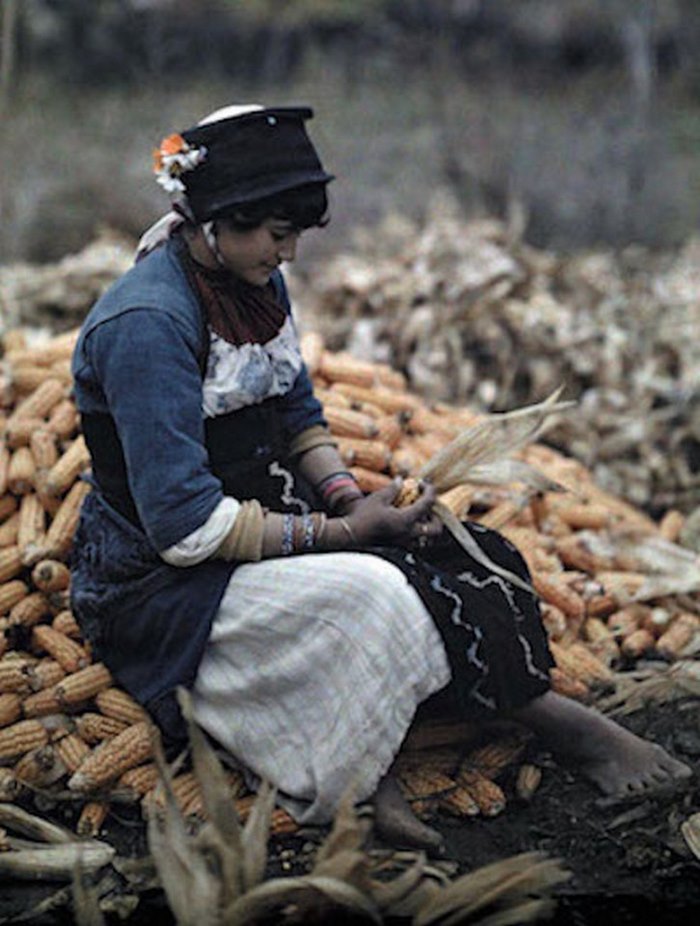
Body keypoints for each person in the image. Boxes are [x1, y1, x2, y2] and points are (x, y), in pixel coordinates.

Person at [70, 103, 691, 853]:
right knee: (373, 598)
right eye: (276, 233)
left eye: (298, 233)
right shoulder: (148, 325)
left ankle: (527, 714)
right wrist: (340, 534)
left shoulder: (251, 281)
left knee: (471, 550)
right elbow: (183, 525)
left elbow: (295, 410)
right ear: (214, 221)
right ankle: (363, 779)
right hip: (161, 577)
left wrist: (348, 497)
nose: (291, 252)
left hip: (258, 515)